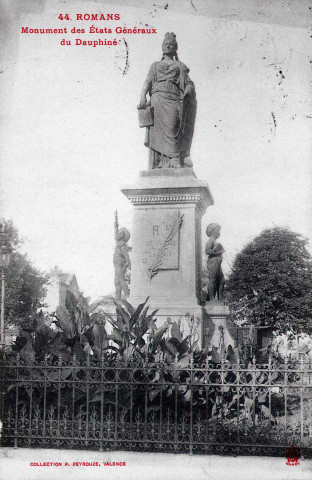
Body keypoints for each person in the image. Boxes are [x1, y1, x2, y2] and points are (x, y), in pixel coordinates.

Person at [137, 32, 196, 169]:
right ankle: (160, 163)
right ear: (162, 48)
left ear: (175, 48)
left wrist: (187, 91)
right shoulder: (155, 65)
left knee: (173, 126)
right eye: (166, 44)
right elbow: (148, 81)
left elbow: (189, 83)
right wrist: (142, 96)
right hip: (157, 100)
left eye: (171, 44)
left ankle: (175, 157)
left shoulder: (180, 66)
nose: (168, 46)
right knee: (156, 133)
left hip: (173, 99)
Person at [205, 223, 225, 301]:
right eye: (218, 230)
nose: (219, 232)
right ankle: (211, 298)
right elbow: (207, 250)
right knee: (213, 279)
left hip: (218, 262)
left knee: (222, 280)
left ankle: (220, 298)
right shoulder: (211, 240)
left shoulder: (214, 240)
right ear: (213, 231)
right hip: (213, 262)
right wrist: (217, 251)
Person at [113, 228, 131, 300]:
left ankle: (127, 295)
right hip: (117, 265)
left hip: (120, 265)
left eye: (119, 233)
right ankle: (118, 298)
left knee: (120, 280)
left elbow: (125, 254)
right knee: (117, 282)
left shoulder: (121, 244)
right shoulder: (119, 243)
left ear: (123, 235)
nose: (118, 234)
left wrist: (127, 261)